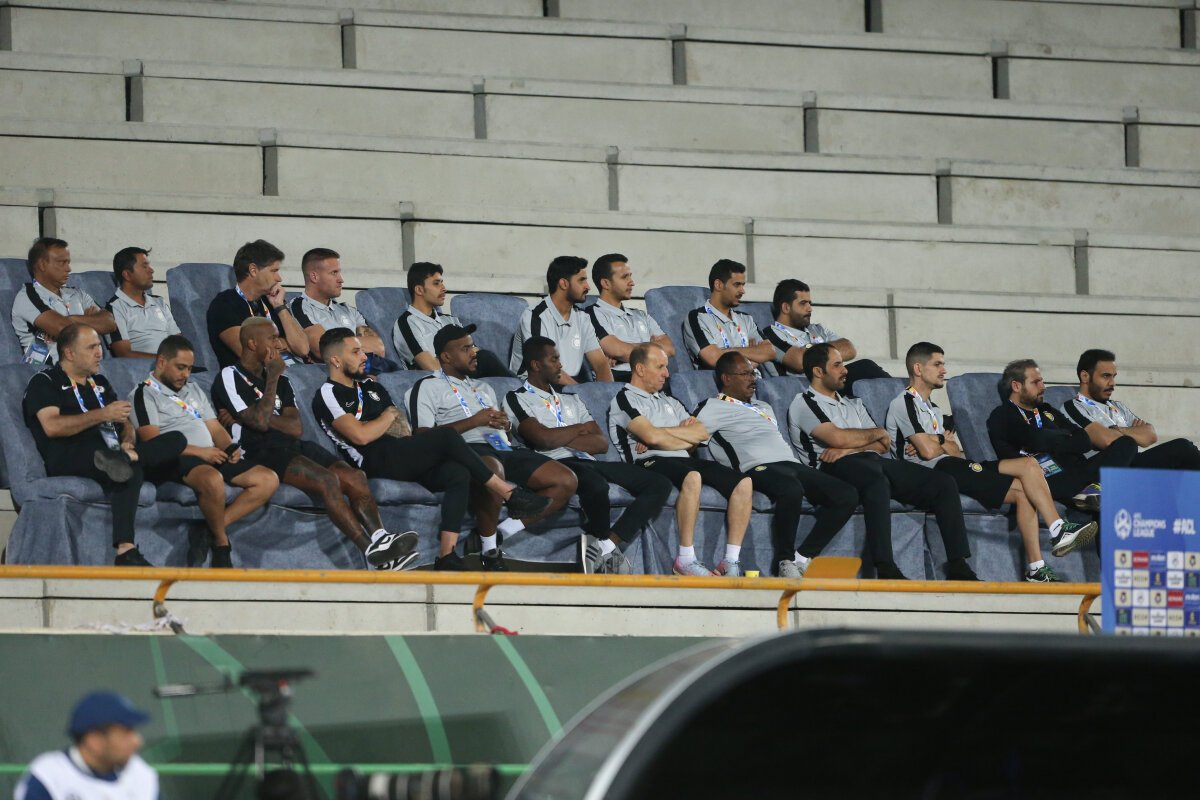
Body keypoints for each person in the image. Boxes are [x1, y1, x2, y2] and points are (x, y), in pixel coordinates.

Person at [314, 327, 550, 571]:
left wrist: (380, 421)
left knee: (458, 472)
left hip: (400, 450)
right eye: (355, 352)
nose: (364, 356)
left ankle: (446, 556)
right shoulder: (328, 393)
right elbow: (361, 436)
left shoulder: (372, 387)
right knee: (446, 436)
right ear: (335, 360)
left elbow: (402, 427)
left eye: (362, 350)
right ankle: (509, 494)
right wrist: (386, 417)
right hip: (371, 460)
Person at [213, 318, 418, 570]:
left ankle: (381, 538)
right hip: (257, 450)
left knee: (354, 476)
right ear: (252, 343)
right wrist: (272, 380)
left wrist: (258, 416)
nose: (279, 344)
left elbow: (294, 427)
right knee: (327, 480)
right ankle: (371, 551)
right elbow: (257, 423)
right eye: (272, 338)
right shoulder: (231, 375)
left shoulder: (284, 381)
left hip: (292, 444)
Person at [887, 343, 1097, 583]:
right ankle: (1059, 529)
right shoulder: (903, 403)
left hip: (951, 465)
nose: (944, 370)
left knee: (1027, 474)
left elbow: (954, 451)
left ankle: (1037, 568)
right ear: (918, 368)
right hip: (928, 473)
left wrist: (938, 443)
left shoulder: (933, 409)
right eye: (937, 364)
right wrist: (940, 441)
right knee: (1025, 469)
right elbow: (927, 452)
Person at [789, 343, 979, 581]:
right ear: (818, 372)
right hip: (829, 467)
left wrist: (852, 447)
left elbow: (883, 442)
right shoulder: (804, 402)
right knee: (876, 482)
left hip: (866, 459)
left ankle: (958, 564)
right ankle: (885, 566)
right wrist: (867, 437)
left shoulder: (853, 403)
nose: (845, 370)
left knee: (943, 482)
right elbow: (836, 438)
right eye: (837, 365)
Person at [408, 325, 576, 568]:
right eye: (466, 349)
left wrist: (504, 426)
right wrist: (474, 421)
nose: (474, 352)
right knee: (493, 470)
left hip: (503, 448)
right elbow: (422, 437)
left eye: (473, 346)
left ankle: (500, 534)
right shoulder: (426, 386)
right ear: (446, 357)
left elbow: (500, 430)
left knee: (565, 480)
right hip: (467, 450)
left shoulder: (484, 388)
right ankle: (490, 553)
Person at [504, 337, 673, 574]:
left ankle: (606, 545)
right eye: (554, 360)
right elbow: (542, 440)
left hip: (588, 460)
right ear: (536, 365)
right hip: (555, 463)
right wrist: (578, 429)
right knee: (596, 484)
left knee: (660, 484)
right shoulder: (516, 397)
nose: (560, 365)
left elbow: (600, 443)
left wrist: (556, 434)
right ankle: (600, 545)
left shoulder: (572, 398)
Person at [22, 323, 187, 566]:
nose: (100, 353)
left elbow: (125, 422)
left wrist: (128, 441)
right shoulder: (46, 380)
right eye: (92, 347)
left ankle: (128, 459)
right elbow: (52, 426)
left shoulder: (98, 381)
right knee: (127, 469)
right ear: (69, 353)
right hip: (71, 454)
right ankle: (125, 548)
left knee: (177, 441)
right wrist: (102, 415)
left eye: (99, 346)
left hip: (112, 453)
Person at [697, 353, 859, 578]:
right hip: (755, 467)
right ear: (726, 378)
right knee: (790, 488)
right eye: (745, 374)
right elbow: (690, 435)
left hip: (790, 463)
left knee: (847, 494)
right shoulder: (712, 406)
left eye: (753, 373)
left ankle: (803, 556)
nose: (753, 379)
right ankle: (785, 560)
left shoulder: (764, 406)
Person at [131, 335, 279, 568]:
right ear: (161, 362)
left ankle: (209, 528)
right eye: (180, 367)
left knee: (268, 480)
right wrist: (201, 453)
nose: (185, 374)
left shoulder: (193, 389)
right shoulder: (144, 393)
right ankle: (221, 543)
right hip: (175, 457)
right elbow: (153, 443)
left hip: (209, 454)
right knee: (212, 479)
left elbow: (215, 427)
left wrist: (230, 447)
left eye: (189, 369)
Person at [608, 342, 753, 576]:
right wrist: (673, 434)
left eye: (666, 367)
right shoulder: (624, 399)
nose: (667, 373)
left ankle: (730, 561)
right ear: (640, 369)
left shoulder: (671, 401)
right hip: (648, 461)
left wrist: (661, 434)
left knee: (743, 482)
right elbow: (652, 437)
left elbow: (700, 434)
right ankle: (685, 559)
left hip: (683, 458)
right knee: (692, 477)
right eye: (660, 367)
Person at [988, 358, 1137, 513]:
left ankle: (1093, 493)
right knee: (1116, 489)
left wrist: (1053, 441)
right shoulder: (1003, 415)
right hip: (1045, 477)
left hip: (1077, 470)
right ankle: (1093, 495)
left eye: (1042, 381)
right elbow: (1037, 440)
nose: (1043, 387)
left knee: (1127, 444)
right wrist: (1066, 436)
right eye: (1036, 382)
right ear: (1016, 386)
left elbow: (1084, 440)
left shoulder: (1046, 410)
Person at [1062, 348, 1200, 470]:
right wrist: (1132, 431)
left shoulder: (1117, 406)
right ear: (1085, 376)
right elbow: (1107, 441)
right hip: (1107, 469)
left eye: (1114, 376)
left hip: (1135, 462)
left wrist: (1118, 430)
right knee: (1184, 448)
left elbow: (1150, 435)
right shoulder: (1073, 407)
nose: (1112, 383)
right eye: (1106, 376)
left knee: (1183, 461)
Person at [16, 691, 157, 800]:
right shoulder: (49, 777)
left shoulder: (142, 775)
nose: (137, 741)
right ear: (94, 741)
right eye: (126, 732)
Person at [764, 278, 889, 396]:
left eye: (809, 303)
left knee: (871, 381)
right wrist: (828, 351)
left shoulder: (817, 329)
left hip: (833, 381)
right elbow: (800, 361)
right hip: (808, 388)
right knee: (866, 368)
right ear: (786, 307)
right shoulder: (771, 333)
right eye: (803, 303)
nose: (810, 309)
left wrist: (808, 348)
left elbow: (849, 349)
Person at [394, 261, 513, 377]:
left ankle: (518, 386)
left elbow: (473, 350)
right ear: (419, 290)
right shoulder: (407, 322)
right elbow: (430, 366)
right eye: (436, 283)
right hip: (438, 380)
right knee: (486, 358)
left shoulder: (450, 320)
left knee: (486, 358)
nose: (444, 288)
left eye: (442, 283)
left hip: (464, 373)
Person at [12, 237, 116, 365]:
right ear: (42, 265)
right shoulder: (28, 296)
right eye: (62, 263)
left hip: (91, 367)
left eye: (68, 262)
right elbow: (63, 329)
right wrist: (90, 321)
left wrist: (71, 319)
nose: (69, 269)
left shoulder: (77, 293)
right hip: (51, 370)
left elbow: (110, 322)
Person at [206, 239, 308, 369]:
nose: (279, 278)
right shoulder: (224, 304)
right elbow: (254, 355)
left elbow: (303, 349)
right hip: (250, 379)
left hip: (289, 373)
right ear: (253, 270)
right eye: (274, 271)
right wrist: (284, 343)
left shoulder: (272, 301)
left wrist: (280, 307)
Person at [510, 256, 612, 383]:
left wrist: (605, 391)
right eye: (582, 280)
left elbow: (601, 364)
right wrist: (581, 392)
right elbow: (545, 366)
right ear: (563, 284)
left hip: (568, 384)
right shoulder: (534, 315)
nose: (588, 287)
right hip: (533, 385)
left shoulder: (583, 318)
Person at [289, 247, 392, 369]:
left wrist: (338, 346)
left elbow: (378, 347)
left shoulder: (348, 310)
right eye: (334, 273)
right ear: (314, 277)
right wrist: (357, 345)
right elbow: (321, 349)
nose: (341, 280)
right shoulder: (300, 307)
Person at [585, 253, 674, 380]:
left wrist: (625, 354)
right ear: (606, 283)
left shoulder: (641, 315)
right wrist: (653, 345)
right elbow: (617, 350)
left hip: (653, 378)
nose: (632, 282)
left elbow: (670, 349)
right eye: (624, 277)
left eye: (630, 276)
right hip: (621, 380)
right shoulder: (591, 314)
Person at [682, 259, 776, 374]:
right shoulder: (697, 317)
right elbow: (714, 358)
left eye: (743, 285)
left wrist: (725, 351)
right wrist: (753, 352)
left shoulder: (746, 318)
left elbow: (770, 351)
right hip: (720, 383)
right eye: (737, 285)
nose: (742, 291)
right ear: (718, 285)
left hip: (755, 380)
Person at [104, 246, 181, 359]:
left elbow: (178, 341)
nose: (151, 270)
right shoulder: (115, 307)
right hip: (147, 367)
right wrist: (164, 360)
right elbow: (124, 354)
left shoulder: (159, 302)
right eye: (144, 266)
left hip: (172, 364)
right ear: (127, 274)